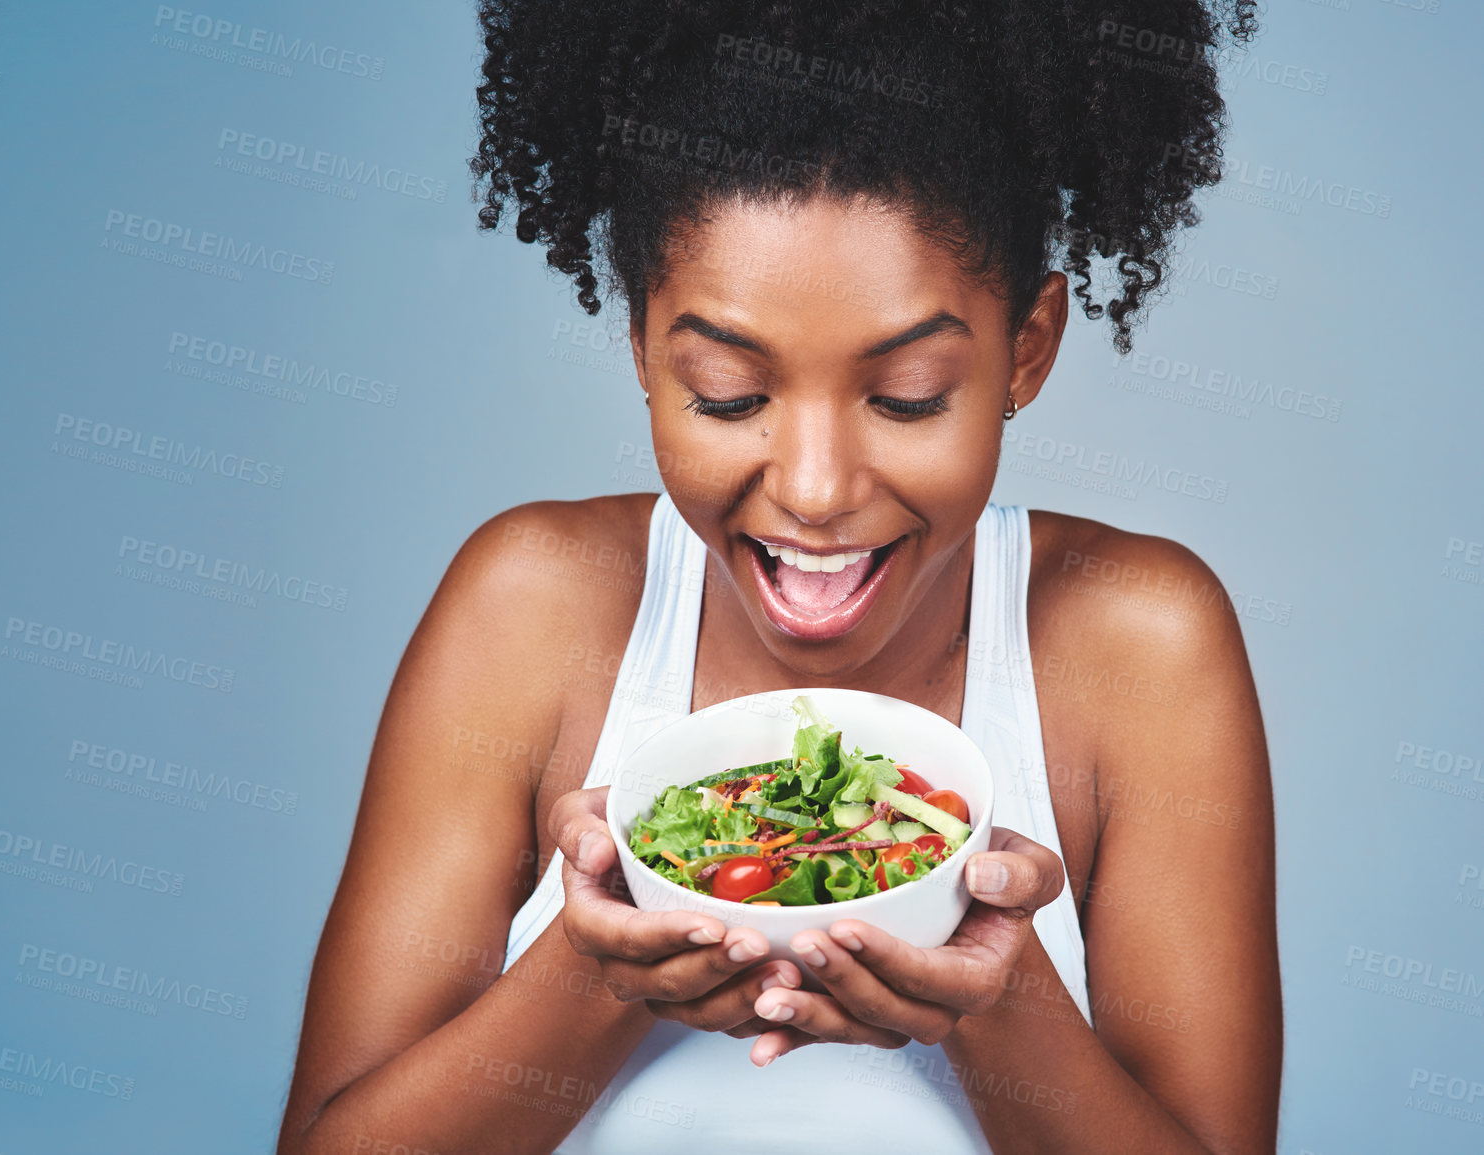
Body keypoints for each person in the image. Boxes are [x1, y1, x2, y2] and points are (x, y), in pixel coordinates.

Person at [277, 2, 1281, 1152]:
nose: (812, 488)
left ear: (1028, 350)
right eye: (728, 393)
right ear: (648, 355)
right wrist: (599, 968)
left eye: (905, 397)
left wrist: (996, 1001)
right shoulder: (530, 603)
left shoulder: (1142, 642)